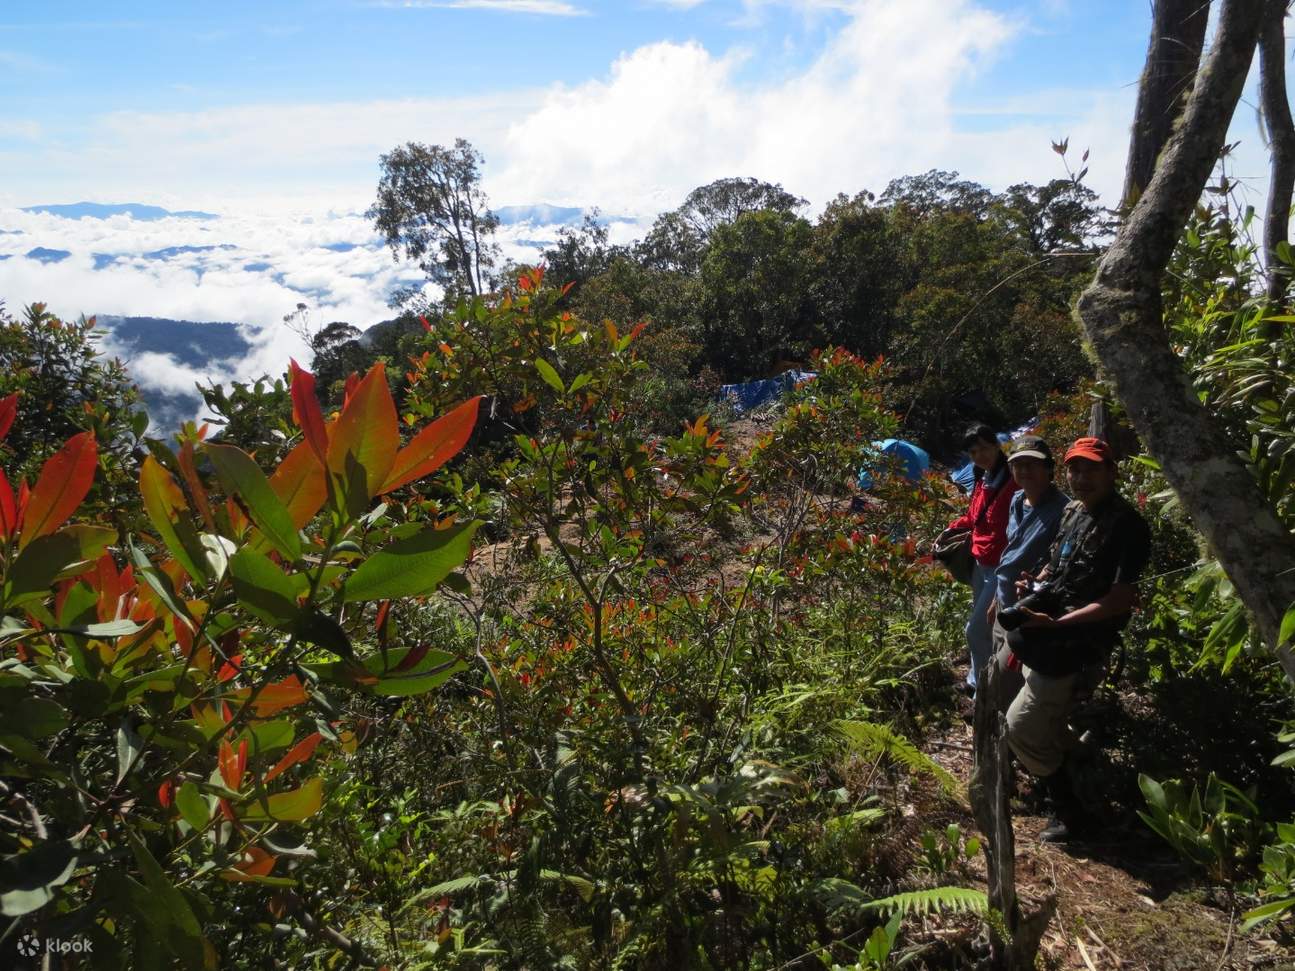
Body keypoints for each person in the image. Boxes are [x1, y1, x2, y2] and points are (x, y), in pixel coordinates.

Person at [998, 436, 1151, 842]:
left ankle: (1071, 812)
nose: (1081, 478)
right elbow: (1057, 567)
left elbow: (1120, 599)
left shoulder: (1129, 526)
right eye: (1075, 469)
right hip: (1045, 636)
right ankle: (1077, 761)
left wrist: (1060, 623)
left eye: (1091, 469)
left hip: (1075, 646)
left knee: (1021, 729)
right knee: (1025, 701)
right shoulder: (1073, 513)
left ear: (1111, 472)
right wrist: (1038, 583)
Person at [986, 435, 1069, 700]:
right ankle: (995, 722)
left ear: (1048, 468)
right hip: (1003, 601)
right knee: (998, 663)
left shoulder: (1064, 510)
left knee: (1011, 674)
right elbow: (1010, 553)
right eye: (1017, 465)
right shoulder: (1017, 499)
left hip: (1029, 607)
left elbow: (1059, 562)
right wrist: (994, 599)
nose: (1023, 471)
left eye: (1032, 465)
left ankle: (1008, 731)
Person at [941, 424, 1019, 693]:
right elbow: (975, 518)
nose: (980, 456)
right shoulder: (981, 478)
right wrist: (951, 529)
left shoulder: (1013, 479)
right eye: (973, 451)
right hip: (979, 562)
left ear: (997, 445)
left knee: (976, 630)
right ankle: (979, 680)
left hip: (1001, 566)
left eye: (984, 448)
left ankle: (986, 689)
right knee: (985, 628)